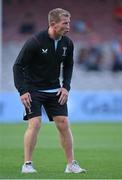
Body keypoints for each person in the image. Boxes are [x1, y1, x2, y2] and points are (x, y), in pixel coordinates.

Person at [13, 8, 86, 174]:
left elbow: (68, 66)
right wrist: (23, 90)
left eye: (69, 22)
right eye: (65, 23)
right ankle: (27, 164)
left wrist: (66, 87)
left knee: (64, 123)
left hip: (54, 90)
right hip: (33, 90)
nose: (69, 26)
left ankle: (70, 165)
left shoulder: (68, 43)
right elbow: (17, 66)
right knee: (36, 123)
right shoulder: (35, 42)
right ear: (53, 24)